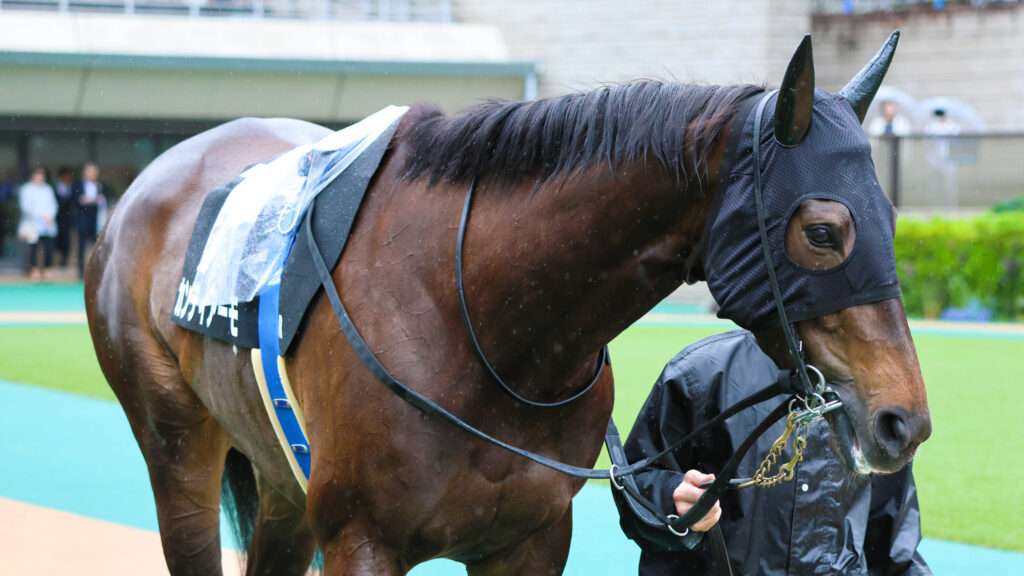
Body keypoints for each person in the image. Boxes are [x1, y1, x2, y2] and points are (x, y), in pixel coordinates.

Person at [618, 330, 930, 575]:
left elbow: (893, 545)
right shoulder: (700, 373)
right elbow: (635, 486)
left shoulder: (873, 390)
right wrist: (671, 499)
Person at [17, 167, 58, 282]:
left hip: (48, 224)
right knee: (33, 248)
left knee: (48, 248)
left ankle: (47, 270)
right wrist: (41, 215)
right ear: (33, 176)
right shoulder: (26, 189)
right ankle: (34, 270)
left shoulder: (48, 189)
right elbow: (26, 207)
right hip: (33, 224)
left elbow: (53, 205)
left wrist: (49, 216)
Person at [71, 162, 108, 279]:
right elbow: (76, 200)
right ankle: (81, 272)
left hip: (96, 220)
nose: (91, 174)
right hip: (83, 219)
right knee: (81, 246)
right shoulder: (77, 185)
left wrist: (94, 200)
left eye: (93, 172)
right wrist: (88, 201)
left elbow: (104, 201)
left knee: (97, 246)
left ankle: (97, 271)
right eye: (89, 171)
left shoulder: (100, 186)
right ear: (85, 172)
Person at [52, 166, 75, 268]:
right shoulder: (54, 188)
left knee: (66, 241)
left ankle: (63, 262)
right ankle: (54, 262)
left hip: (67, 220)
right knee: (56, 241)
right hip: (56, 219)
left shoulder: (71, 188)